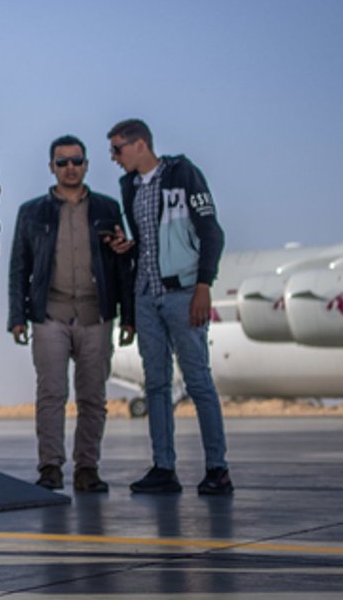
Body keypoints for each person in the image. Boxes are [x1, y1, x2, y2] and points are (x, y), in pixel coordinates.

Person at [104, 118, 231, 496]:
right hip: (146, 295)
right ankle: (163, 467)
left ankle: (217, 468)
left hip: (183, 293)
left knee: (198, 381)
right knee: (156, 384)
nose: (113, 158)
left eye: (117, 149)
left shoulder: (183, 174)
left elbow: (211, 231)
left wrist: (203, 286)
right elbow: (150, 239)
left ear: (140, 144)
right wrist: (130, 247)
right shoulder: (129, 186)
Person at [8, 135, 133, 493]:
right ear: (52, 168)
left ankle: (87, 468)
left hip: (97, 315)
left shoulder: (108, 209)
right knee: (51, 394)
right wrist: (17, 315)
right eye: (62, 163)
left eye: (76, 161)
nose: (70, 168)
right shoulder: (32, 212)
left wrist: (128, 317)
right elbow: (19, 266)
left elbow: (122, 264)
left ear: (86, 165)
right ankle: (50, 467)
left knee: (93, 396)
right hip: (50, 315)